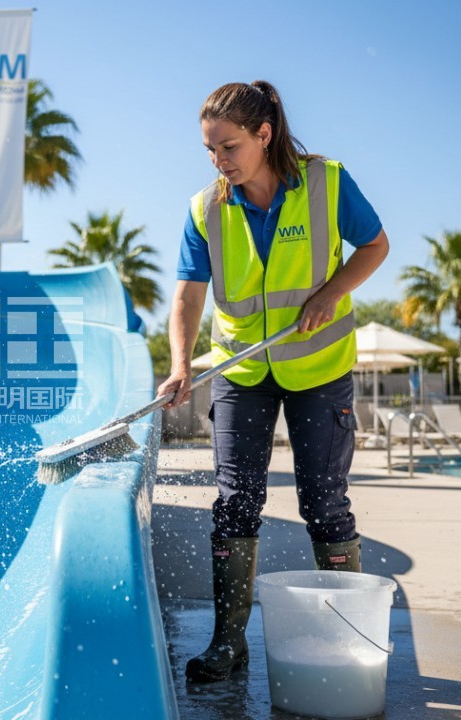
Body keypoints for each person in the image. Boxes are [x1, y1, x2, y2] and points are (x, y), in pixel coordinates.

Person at [157, 80, 389, 683]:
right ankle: (228, 646)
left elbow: (375, 245)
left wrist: (332, 291)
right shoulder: (206, 207)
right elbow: (187, 293)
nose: (220, 161)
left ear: (265, 134)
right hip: (242, 371)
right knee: (236, 502)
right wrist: (181, 363)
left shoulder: (326, 182)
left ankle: (347, 642)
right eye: (210, 149)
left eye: (230, 146)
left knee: (324, 504)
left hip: (318, 368)